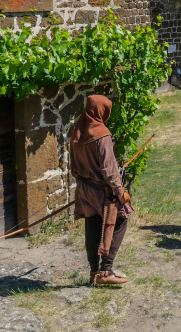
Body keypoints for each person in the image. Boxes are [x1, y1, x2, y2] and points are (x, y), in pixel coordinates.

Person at [70, 95, 133, 286]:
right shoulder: (102, 134)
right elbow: (108, 168)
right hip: (101, 190)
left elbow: (73, 165)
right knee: (120, 220)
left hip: (84, 188)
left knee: (92, 225)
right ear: (102, 111)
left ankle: (93, 272)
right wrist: (120, 191)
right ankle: (106, 270)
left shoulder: (77, 132)